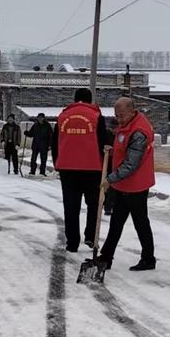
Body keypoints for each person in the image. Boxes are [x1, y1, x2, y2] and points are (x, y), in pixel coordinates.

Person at [98, 97, 157, 272]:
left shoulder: (139, 131)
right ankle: (106, 257)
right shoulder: (128, 125)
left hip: (136, 185)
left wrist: (110, 179)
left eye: (122, 115)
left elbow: (131, 164)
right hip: (125, 184)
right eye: (117, 116)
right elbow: (123, 146)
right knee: (116, 222)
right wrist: (112, 149)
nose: (119, 119)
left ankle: (148, 259)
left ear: (132, 111)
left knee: (140, 223)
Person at [52, 88, 107, 252]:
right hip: (92, 168)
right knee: (94, 204)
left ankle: (72, 242)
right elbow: (102, 141)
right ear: (90, 100)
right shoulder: (97, 116)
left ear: (74, 99)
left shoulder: (62, 116)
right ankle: (91, 236)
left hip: (68, 169)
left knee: (71, 206)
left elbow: (55, 142)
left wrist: (57, 162)